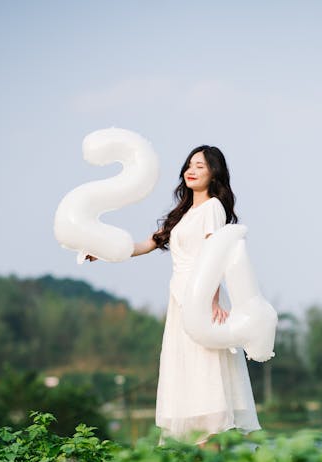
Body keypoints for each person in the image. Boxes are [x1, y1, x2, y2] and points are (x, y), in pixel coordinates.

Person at [87, 145, 260, 445]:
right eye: (189, 165)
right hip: (179, 300)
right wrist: (104, 251)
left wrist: (213, 301)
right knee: (187, 378)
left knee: (208, 386)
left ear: (214, 173)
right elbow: (145, 244)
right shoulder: (182, 213)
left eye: (200, 166)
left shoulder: (213, 209)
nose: (191, 171)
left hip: (201, 301)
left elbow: (214, 257)